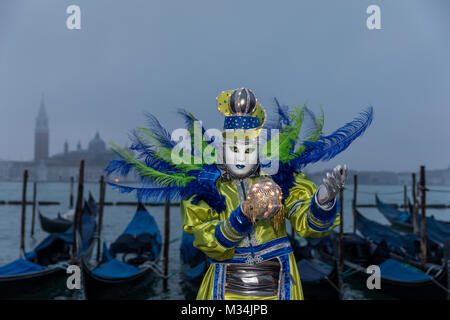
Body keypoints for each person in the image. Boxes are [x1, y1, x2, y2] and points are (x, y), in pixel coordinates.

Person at [106, 87, 373, 300]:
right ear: (222, 150)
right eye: (235, 149)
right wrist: (241, 218)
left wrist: (323, 200)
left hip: (279, 281)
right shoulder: (204, 189)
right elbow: (205, 238)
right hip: (226, 284)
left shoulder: (282, 179)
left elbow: (308, 226)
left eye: (248, 149)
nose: (242, 157)